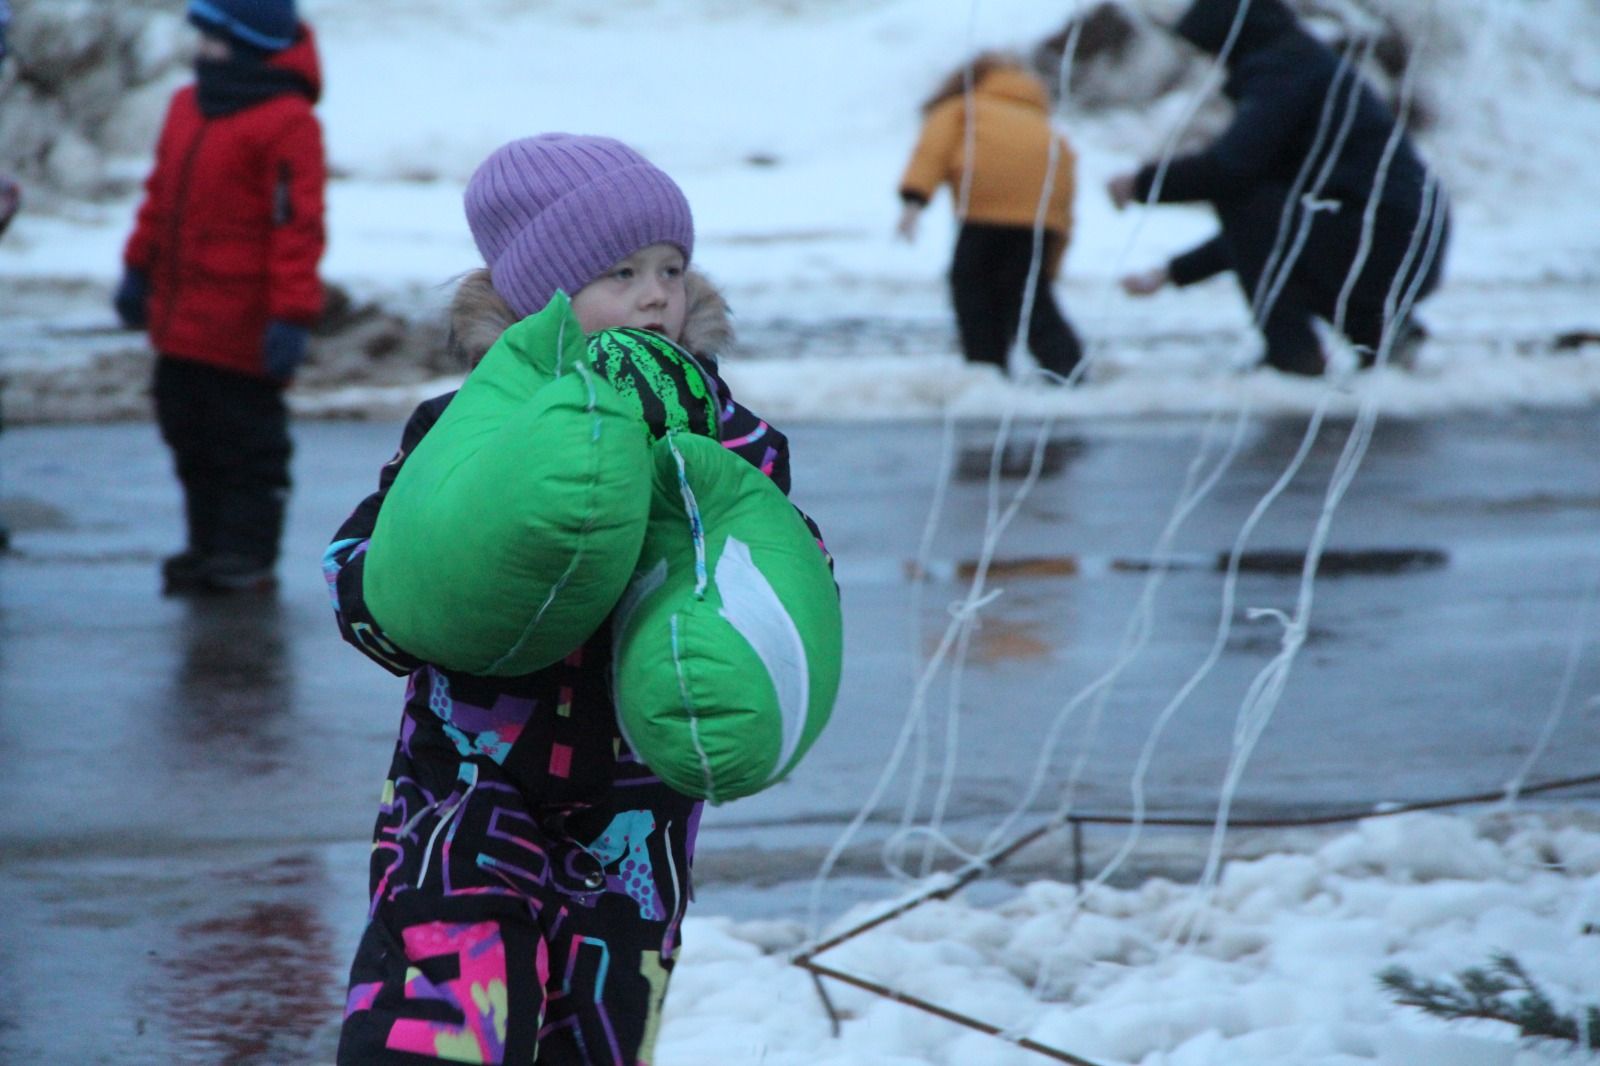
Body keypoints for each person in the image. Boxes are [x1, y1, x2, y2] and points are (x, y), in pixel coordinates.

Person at [327, 133, 829, 1065]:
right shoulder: (464, 428)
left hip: (635, 811)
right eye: (620, 272)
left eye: (671, 270)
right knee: (441, 1016)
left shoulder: (734, 439)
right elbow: (365, 553)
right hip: (467, 786)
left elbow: (783, 563)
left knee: (597, 1034)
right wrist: (392, 603)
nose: (655, 295)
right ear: (540, 300)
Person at [1108, 0, 1450, 376]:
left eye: (1214, 49)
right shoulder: (1299, 64)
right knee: (1281, 226)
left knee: (1247, 202)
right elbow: (1265, 230)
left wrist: (1141, 184)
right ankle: (1384, 335)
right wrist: (1173, 272)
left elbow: (1231, 176)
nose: (1214, 61)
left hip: (1388, 234)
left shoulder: (1286, 71)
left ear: (1232, 37)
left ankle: (1293, 356)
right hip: (1404, 233)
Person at [115, 0, 326, 593]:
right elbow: (159, 196)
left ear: (249, 42)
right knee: (189, 435)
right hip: (180, 323)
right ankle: (206, 546)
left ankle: (246, 556)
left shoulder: (287, 121)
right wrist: (137, 270)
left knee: (247, 448)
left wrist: (291, 315)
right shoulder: (187, 105)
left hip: (243, 331)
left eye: (213, 38)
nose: (200, 49)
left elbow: (297, 228)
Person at [896, 52, 1084, 381]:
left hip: (982, 211)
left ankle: (986, 371)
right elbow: (1065, 184)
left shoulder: (963, 109)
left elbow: (932, 152)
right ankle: (1067, 371)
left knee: (972, 290)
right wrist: (1054, 259)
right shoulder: (1040, 122)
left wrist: (914, 200)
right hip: (1039, 216)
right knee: (1029, 294)